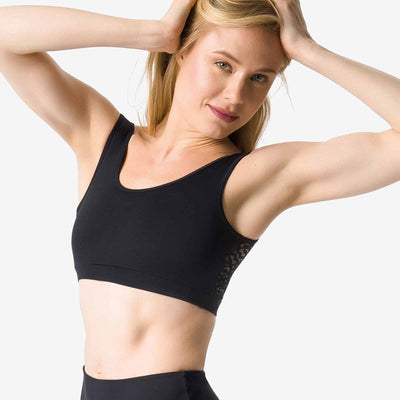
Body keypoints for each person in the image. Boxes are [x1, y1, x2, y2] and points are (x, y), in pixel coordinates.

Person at [1, 0, 399, 399]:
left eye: (259, 77)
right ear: (183, 50)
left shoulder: (251, 179)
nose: (235, 94)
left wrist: (308, 50)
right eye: (223, 64)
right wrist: (155, 34)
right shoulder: (101, 140)